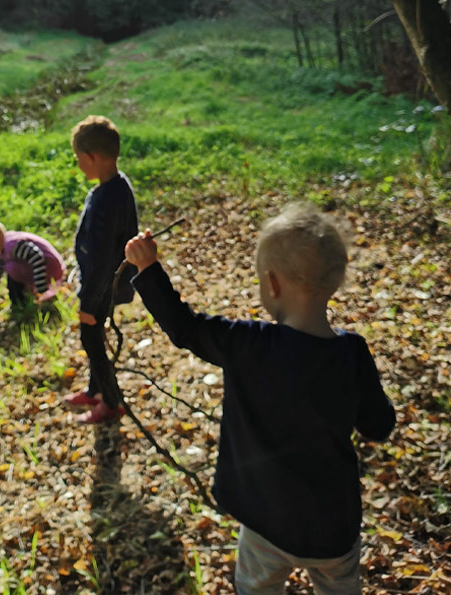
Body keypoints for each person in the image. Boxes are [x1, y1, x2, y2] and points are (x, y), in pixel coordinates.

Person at [125, 202, 395, 594]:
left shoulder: (248, 344)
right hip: (333, 527)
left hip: (267, 523)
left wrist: (148, 269)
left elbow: (185, 327)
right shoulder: (352, 354)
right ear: (333, 281)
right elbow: (378, 426)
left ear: (272, 284)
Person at [64, 115, 139, 424]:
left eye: (78, 158)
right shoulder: (115, 186)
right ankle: (96, 391)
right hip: (102, 285)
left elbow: (105, 259)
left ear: (91, 157)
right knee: (93, 338)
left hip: (104, 288)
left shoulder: (109, 198)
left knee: (92, 341)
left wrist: (88, 303)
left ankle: (110, 402)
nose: (78, 164)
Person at [0, 216, 65, 306]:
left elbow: (36, 257)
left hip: (52, 270)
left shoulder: (11, 246)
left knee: (12, 268)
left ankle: (22, 301)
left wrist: (41, 290)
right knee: (7, 266)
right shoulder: (4, 248)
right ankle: (18, 301)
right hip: (48, 271)